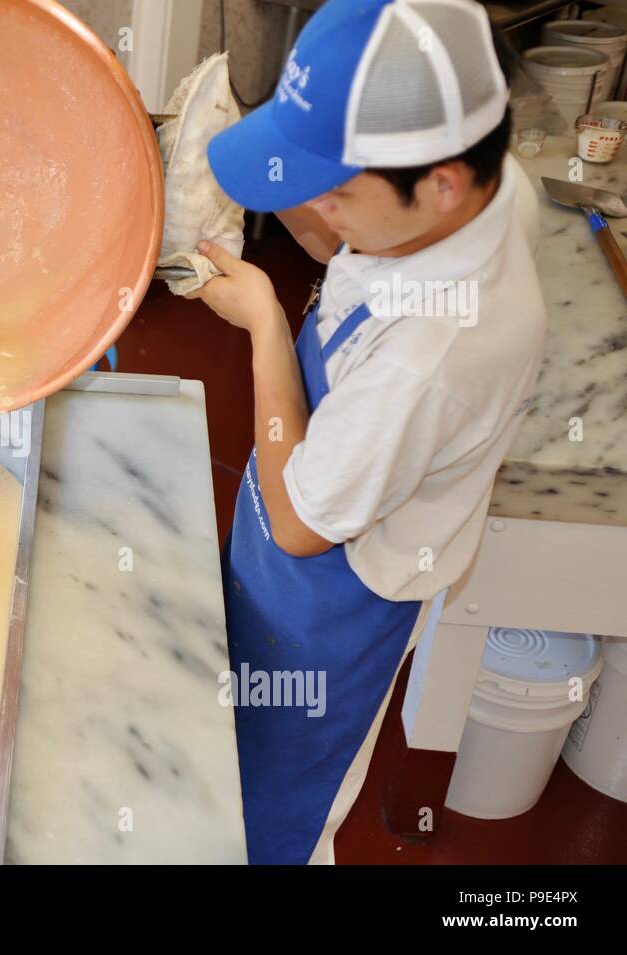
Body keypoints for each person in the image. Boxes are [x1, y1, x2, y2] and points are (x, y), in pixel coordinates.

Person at [196, 0, 546, 863]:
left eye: (339, 193)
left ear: (441, 187)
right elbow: (361, 247)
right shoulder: (481, 186)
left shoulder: (433, 353)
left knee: (274, 804)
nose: (317, 211)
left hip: (338, 592)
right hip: (328, 480)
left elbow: (300, 524)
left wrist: (266, 325)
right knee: (220, 733)